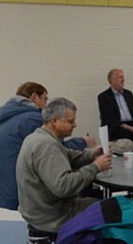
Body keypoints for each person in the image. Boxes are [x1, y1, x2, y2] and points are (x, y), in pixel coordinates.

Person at [0, 82, 94, 211]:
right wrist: (83, 142)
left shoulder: (1, 119)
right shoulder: (34, 118)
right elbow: (56, 148)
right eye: (45, 99)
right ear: (34, 97)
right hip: (16, 189)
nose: (47, 105)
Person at [16, 97, 112, 233]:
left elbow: (66, 154)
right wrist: (95, 167)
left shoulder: (37, 137)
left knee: (96, 200)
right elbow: (64, 187)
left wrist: (92, 155)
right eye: (70, 121)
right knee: (110, 207)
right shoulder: (47, 146)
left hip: (36, 210)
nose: (75, 125)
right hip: (52, 216)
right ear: (54, 121)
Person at [97, 68, 133, 145]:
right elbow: (109, 118)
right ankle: (130, 154)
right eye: (120, 77)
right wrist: (129, 128)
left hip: (132, 124)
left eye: (123, 77)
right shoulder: (104, 97)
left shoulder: (128, 94)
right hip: (117, 126)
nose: (123, 80)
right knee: (127, 134)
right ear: (111, 81)